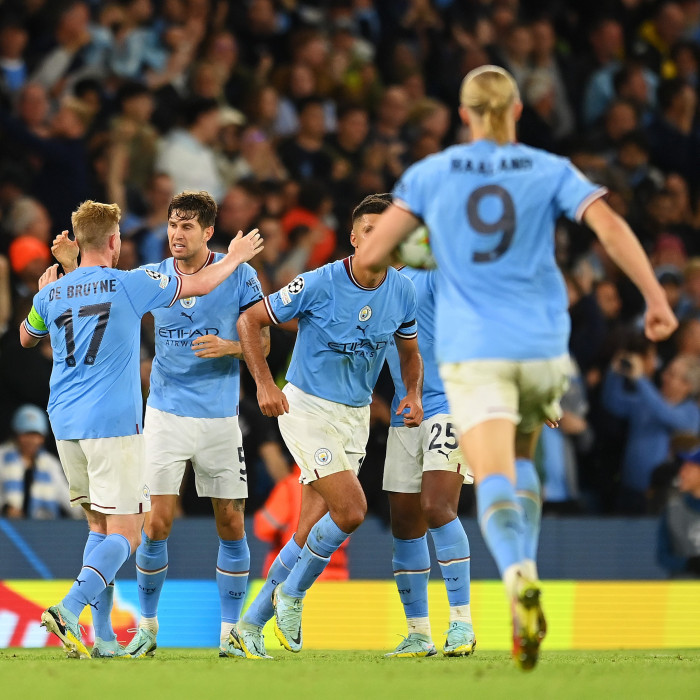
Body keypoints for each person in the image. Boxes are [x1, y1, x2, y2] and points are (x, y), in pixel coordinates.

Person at [355, 65, 677, 670]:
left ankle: (517, 575)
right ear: (519, 110)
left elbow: (373, 251)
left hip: (477, 352)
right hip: (540, 342)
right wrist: (655, 299)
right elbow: (609, 225)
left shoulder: (432, 174)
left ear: (462, 113)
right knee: (522, 461)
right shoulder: (549, 168)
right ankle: (513, 573)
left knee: (493, 475)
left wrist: (425, 244)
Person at [20, 199, 262, 659]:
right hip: (112, 425)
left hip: (64, 424)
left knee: (98, 527)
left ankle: (104, 638)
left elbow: (26, 337)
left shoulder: (50, 292)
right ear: (114, 241)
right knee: (129, 533)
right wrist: (236, 256)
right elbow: (200, 284)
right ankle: (69, 608)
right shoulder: (131, 284)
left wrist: (61, 277)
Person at [231, 193, 422, 659]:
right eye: (369, 231)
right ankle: (293, 595)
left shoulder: (402, 291)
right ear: (354, 238)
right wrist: (264, 384)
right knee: (352, 510)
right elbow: (250, 320)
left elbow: (410, 352)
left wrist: (413, 393)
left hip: (354, 417)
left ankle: (249, 626)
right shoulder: (318, 282)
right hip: (307, 408)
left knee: (308, 530)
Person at [382, 267, 476, 659]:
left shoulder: (436, 273)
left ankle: (462, 624)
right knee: (405, 525)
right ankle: (419, 634)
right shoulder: (375, 284)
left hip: (451, 405)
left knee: (437, 506)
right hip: (404, 412)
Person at [0, 404, 77, 519]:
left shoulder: (50, 464)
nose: (32, 440)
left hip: (40, 527)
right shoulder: (2, 457)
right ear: (17, 434)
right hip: (6, 525)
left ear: (43, 438)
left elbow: (65, 495)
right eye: (27, 434)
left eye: (37, 435)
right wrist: (5, 508)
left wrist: (86, 512)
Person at [657, 447, 700, 578]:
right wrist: (688, 563)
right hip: (682, 588)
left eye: (688, 468)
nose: (681, 473)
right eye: (682, 468)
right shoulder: (672, 511)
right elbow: (662, 556)